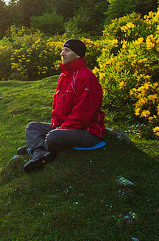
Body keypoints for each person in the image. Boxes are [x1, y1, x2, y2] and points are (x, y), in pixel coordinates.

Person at [19, 38, 105, 173]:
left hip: (87, 131)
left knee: (54, 137)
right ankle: (38, 152)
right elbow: (57, 106)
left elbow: (82, 113)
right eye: (62, 50)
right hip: (67, 127)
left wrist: (60, 129)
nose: (62, 54)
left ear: (78, 55)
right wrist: (57, 125)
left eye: (67, 50)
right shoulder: (64, 76)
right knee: (32, 127)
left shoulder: (86, 77)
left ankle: (36, 148)